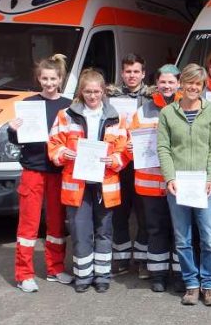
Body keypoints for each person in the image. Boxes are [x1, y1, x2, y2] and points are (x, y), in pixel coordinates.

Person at [48, 69, 128, 293]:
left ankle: (102, 275)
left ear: (103, 91)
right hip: (77, 182)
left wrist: (114, 159)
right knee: (80, 230)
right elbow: (53, 145)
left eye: (96, 91)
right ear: (81, 92)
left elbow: (125, 150)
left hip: (106, 182)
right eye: (88, 91)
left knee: (104, 230)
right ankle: (83, 275)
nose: (92, 96)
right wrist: (64, 154)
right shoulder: (66, 115)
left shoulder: (116, 117)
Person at [157, 63, 211, 306]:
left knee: (210, 238)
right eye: (189, 82)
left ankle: (210, 285)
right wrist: (170, 177)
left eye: (198, 83)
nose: (193, 87)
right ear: (181, 84)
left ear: (203, 86)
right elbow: (163, 148)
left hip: (205, 185)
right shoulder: (167, 113)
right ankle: (191, 284)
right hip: (179, 185)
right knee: (183, 238)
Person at [8, 54, 72, 292]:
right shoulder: (28, 103)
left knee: (56, 224)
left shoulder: (68, 105)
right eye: (44, 78)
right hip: (33, 170)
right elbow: (17, 139)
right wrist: (13, 131)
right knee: (28, 225)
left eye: (52, 78)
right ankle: (24, 274)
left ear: (60, 78)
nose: (48, 83)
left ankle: (55, 269)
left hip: (58, 171)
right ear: (38, 79)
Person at [125, 64, 183, 293]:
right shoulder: (142, 112)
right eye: (163, 82)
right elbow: (130, 142)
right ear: (156, 84)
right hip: (149, 184)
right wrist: (130, 147)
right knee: (155, 229)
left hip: (178, 183)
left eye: (171, 82)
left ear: (178, 83)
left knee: (180, 229)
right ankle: (158, 273)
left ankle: (180, 274)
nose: (167, 86)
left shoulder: (186, 107)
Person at [108, 54, 151, 278]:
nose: (131, 75)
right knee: (120, 214)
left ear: (143, 73)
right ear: (122, 73)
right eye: (128, 71)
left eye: (136, 71)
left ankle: (143, 260)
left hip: (143, 163)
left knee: (144, 215)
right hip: (120, 163)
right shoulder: (111, 96)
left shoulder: (152, 98)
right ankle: (122, 260)